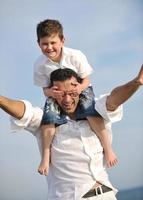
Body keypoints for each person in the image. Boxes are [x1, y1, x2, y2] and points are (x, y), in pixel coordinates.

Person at [0, 65, 143, 200]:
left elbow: (114, 100)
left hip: (107, 195)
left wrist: (137, 82)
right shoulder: (46, 121)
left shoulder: (96, 112)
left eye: (71, 93)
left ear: (79, 88)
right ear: (52, 92)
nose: (67, 99)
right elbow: (24, 111)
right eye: (61, 94)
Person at [34, 19, 117, 175]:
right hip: (56, 94)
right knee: (48, 118)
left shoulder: (75, 55)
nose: (49, 47)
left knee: (91, 112)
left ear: (62, 40)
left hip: (80, 89)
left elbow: (86, 79)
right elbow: (45, 89)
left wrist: (78, 88)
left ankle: (108, 148)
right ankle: (45, 156)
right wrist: (52, 93)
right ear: (38, 43)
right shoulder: (39, 65)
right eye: (45, 44)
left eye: (53, 42)